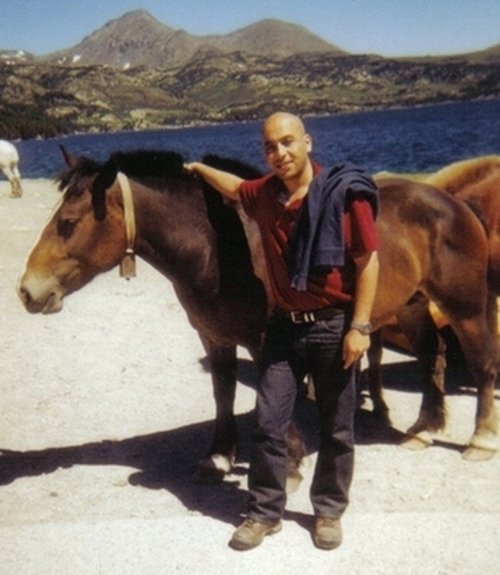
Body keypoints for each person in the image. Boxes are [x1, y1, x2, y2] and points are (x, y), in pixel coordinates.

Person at [185, 112, 379, 551]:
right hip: (283, 329)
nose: (280, 153)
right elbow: (234, 188)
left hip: (335, 326)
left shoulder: (345, 196)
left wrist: (360, 327)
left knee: (336, 427)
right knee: (268, 424)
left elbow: (369, 263)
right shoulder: (265, 194)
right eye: (270, 147)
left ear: (307, 142)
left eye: (288, 142)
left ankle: (328, 510)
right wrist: (198, 168)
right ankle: (264, 512)